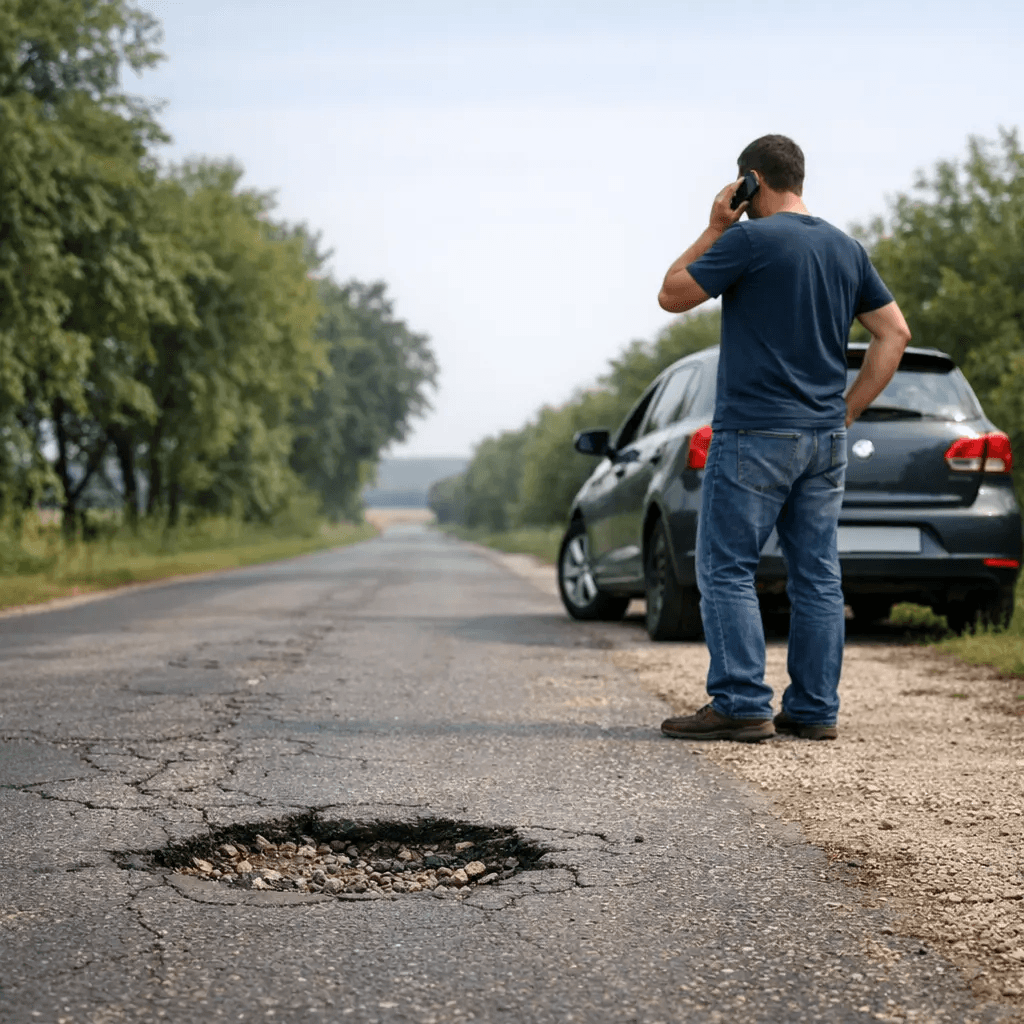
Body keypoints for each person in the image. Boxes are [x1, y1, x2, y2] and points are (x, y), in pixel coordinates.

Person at [656, 134, 911, 743]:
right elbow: (893, 333)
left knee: (725, 566)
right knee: (817, 574)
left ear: (750, 181)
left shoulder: (746, 238)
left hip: (754, 433)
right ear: (798, 178)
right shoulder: (847, 249)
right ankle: (815, 710)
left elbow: (672, 293)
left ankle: (743, 703)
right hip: (824, 438)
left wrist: (714, 226)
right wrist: (847, 411)